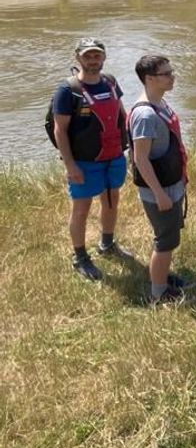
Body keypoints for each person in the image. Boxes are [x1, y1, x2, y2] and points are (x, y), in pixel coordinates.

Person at [51, 38, 131, 281]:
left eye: (97, 55)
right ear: (78, 58)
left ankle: (107, 243)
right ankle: (80, 257)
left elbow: (121, 111)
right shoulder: (68, 90)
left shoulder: (111, 81)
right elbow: (59, 130)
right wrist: (70, 165)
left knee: (111, 201)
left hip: (113, 156)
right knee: (81, 210)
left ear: (104, 58)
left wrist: (131, 144)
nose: (93, 60)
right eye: (87, 56)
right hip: (84, 162)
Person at [128, 54, 189, 305]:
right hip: (159, 190)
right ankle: (158, 292)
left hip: (172, 183)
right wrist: (160, 194)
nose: (172, 76)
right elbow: (141, 159)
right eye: (167, 73)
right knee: (165, 240)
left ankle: (163, 276)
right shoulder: (145, 116)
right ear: (150, 79)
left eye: (171, 72)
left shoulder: (161, 105)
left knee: (171, 234)